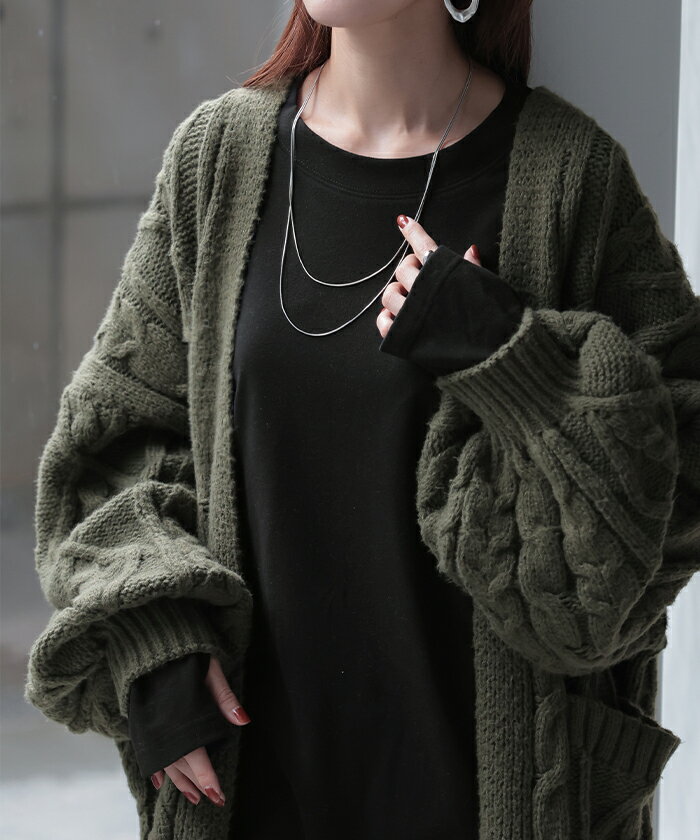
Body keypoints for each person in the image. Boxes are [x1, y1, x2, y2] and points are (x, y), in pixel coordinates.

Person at [24, 1, 700, 839]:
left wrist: (514, 361)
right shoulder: (219, 159)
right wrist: (153, 638)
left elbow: (671, 495)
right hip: (255, 797)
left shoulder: (571, 177)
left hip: (490, 804)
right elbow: (111, 454)